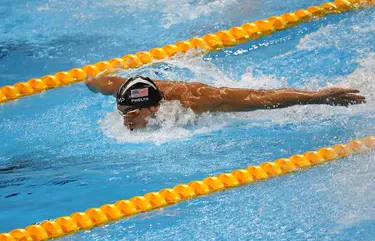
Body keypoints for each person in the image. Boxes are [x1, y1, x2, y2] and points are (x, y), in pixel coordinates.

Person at [85, 74, 365, 131]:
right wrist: (88, 80)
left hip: (220, 96)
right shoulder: (126, 92)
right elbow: (105, 82)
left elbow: (261, 98)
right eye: (122, 112)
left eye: (132, 113)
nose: (126, 120)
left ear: (153, 107)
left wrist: (318, 97)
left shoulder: (195, 102)